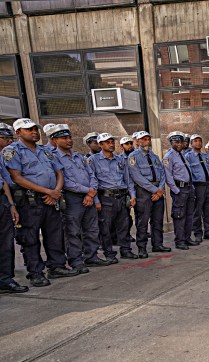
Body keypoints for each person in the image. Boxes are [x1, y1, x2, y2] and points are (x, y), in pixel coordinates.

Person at [3, 118, 78, 287]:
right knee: (30, 237)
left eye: (35, 129)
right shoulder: (12, 151)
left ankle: (57, 266)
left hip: (51, 199)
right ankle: (35, 272)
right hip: (30, 201)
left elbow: (59, 172)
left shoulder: (45, 151)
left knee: (55, 234)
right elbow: (16, 178)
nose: (34, 132)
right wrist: (48, 191)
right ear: (18, 133)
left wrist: (56, 191)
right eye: (28, 130)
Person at [51, 124, 111, 272]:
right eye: (64, 138)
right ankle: (76, 261)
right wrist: (88, 191)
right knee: (73, 231)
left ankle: (92, 257)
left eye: (70, 137)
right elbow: (63, 180)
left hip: (89, 197)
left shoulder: (79, 156)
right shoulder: (53, 157)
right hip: (72, 199)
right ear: (55, 140)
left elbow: (92, 175)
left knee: (92, 229)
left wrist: (91, 193)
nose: (69, 140)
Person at [88, 133, 137, 262]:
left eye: (112, 141)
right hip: (106, 198)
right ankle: (109, 253)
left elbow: (128, 179)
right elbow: (92, 181)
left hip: (121, 196)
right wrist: (96, 201)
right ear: (100, 144)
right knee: (106, 228)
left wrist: (132, 195)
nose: (111, 144)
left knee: (124, 225)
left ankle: (126, 250)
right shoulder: (93, 160)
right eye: (107, 142)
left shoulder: (120, 159)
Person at [128, 131, 170, 258]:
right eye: (144, 139)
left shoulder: (154, 156)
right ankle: (142, 247)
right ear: (138, 141)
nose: (147, 142)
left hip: (158, 190)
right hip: (144, 192)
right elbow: (137, 177)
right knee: (142, 221)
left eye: (148, 139)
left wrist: (161, 189)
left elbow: (162, 173)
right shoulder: (133, 157)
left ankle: (158, 244)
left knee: (157, 220)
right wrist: (154, 190)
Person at [163, 131, 198, 250]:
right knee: (179, 216)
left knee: (189, 215)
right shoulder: (169, 157)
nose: (179, 144)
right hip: (180, 189)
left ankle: (187, 238)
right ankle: (180, 240)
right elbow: (168, 176)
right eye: (176, 142)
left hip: (188, 188)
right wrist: (176, 190)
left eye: (180, 142)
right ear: (171, 142)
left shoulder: (182, 154)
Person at [0, 153, 27, 293]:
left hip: (2, 201)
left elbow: (4, 180)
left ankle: (5, 279)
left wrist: (11, 204)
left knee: (6, 243)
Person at [184, 133, 209, 242]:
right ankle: (198, 232)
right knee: (197, 210)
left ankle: (208, 231)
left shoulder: (205, 156)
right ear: (191, 144)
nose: (198, 143)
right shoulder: (188, 157)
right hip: (198, 186)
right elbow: (188, 173)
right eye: (195, 141)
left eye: (200, 141)